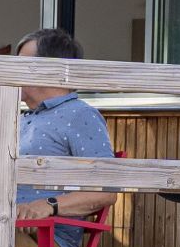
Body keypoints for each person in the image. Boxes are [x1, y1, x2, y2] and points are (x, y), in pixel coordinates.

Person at [10, 30, 118, 233]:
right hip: (2, 230)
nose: (14, 71)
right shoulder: (25, 118)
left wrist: (48, 205)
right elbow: (0, 184)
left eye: (22, 64)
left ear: (51, 69)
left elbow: (106, 192)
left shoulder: (80, 115)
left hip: (45, 237)